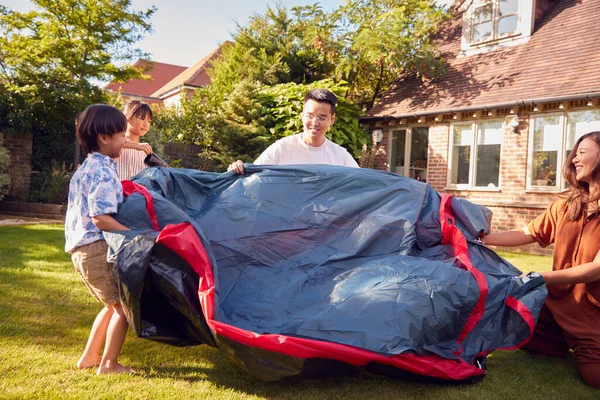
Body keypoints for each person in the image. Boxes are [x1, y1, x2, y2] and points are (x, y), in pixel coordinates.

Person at [482, 131, 600, 389]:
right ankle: (559, 340)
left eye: (582, 152)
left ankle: (575, 341)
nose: (574, 160)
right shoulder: (567, 204)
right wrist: (483, 239)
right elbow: (528, 233)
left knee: (595, 378)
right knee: (508, 324)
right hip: (556, 306)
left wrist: (540, 277)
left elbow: (596, 270)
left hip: (593, 314)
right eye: (575, 153)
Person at [65, 104, 134, 375]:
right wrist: (134, 236)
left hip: (82, 249)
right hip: (95, 247)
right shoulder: (102, 171)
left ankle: (90, 356)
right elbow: (101, 218)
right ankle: (109, 364)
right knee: (124, 307)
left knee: (111, 304)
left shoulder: (88, 168)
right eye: (121, 136)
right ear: (104, 137)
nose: (125, 141)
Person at [228, 89, 359, 173]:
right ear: (302, 116)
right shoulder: (283, 147)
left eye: (322, 117)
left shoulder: (340, 156)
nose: (315, 122)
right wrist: (236, 169)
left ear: (332, 120)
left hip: (325, 217)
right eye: (310, 116)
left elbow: (363, 183)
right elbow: (252, 175)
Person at [115, 100, 153, 180]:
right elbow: (116, 142)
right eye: (142, 118)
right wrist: (137, 146)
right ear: (127, 117)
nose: (146, 124)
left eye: (149, 121)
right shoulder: (116, 144)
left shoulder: (145, 151)